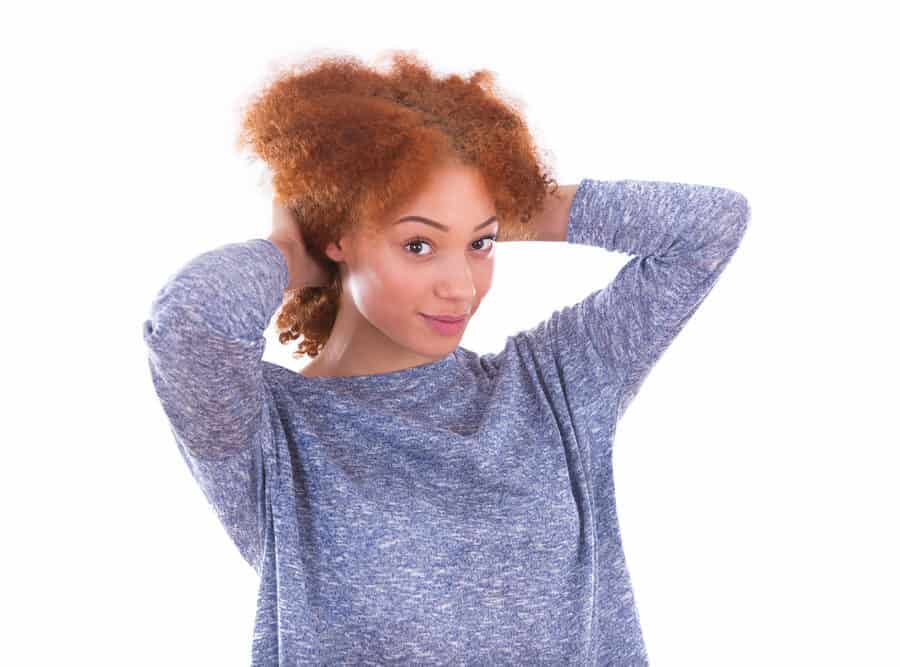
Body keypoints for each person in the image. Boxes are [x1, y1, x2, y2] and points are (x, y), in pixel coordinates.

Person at [142, 50, 751, 665]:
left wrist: (507, 201)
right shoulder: (274, 437)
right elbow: (188, 322)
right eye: (418, 244)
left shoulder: (553, 387)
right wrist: (292, 250)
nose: (461, 286)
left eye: (480, 245)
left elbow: (711, 227)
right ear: (337, 238)